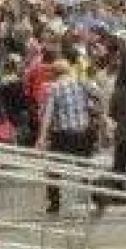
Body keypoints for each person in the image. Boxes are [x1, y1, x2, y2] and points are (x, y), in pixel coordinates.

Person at [36, 60, 97, 215]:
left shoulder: (54, 88)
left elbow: (48, 116)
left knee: (53, 169)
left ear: (55, 74)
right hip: (83, 133)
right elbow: (94, 103)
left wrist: (42, 138)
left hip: (62, 135)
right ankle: (96, 197)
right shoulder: (81, 84)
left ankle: (54, 203)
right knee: (85, 167)